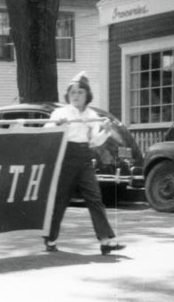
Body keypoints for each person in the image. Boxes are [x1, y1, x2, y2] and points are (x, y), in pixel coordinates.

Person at [43, 71, 126, 256]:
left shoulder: (92, 114)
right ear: (67, 94)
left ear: (87, 94)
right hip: (65, 156)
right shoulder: (60, 112)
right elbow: (46, 132)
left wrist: (105, 131)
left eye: (80, 92)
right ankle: (50, 238)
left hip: (84, 157)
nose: (76, 95)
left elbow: (94, 142)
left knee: (95, 198)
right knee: (60, 200)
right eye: (72, 92)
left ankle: (105, 241)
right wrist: (58, 125)